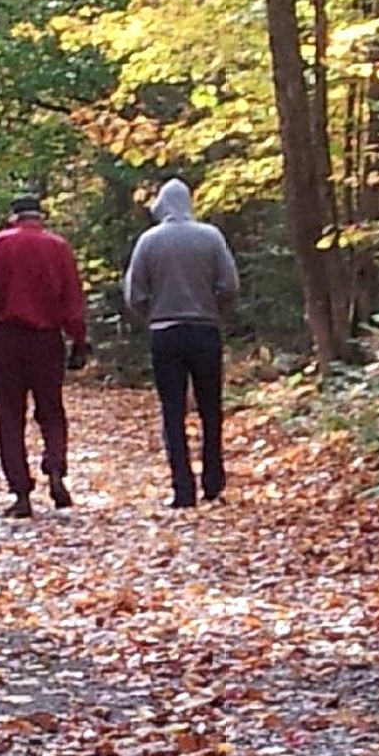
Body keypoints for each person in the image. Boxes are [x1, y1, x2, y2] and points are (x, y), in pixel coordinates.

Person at [0, 195, 89, 518]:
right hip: (47, 341)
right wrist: (78, 340)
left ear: (14, 216)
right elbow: (72, 299)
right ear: (40, 216)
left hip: (8, 340)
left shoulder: (0, 244)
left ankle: (21, 492)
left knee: (9, 415)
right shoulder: (58, 247)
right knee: (52, 410)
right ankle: (56, 469)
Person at [123, 178, 240, 508]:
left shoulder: (149, 241)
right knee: (210, 409)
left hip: (165, 334)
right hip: (205, 332)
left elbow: (134, 293)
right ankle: (213, 483)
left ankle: (182, 489)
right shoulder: (211, 237)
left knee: (172, 411)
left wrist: (151, 315)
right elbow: (229, 285)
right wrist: (215, 311)